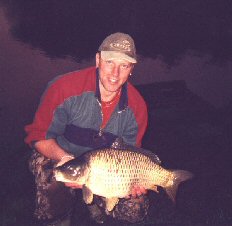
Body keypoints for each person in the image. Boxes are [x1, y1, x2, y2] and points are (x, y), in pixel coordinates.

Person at [25, 32, 149, 226]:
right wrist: (65, 158)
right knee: (48, 174)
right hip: (61, 155)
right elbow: (38, 135)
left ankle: (96, 204)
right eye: (110, 62)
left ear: (131, 69)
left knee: (134, 209)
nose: (115, 74)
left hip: (106, 169)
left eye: (123, 65)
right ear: (98, 60)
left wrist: (135, 180)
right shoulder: (63, 88)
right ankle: (59, 217)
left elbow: (131, 155)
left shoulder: (137, 107)